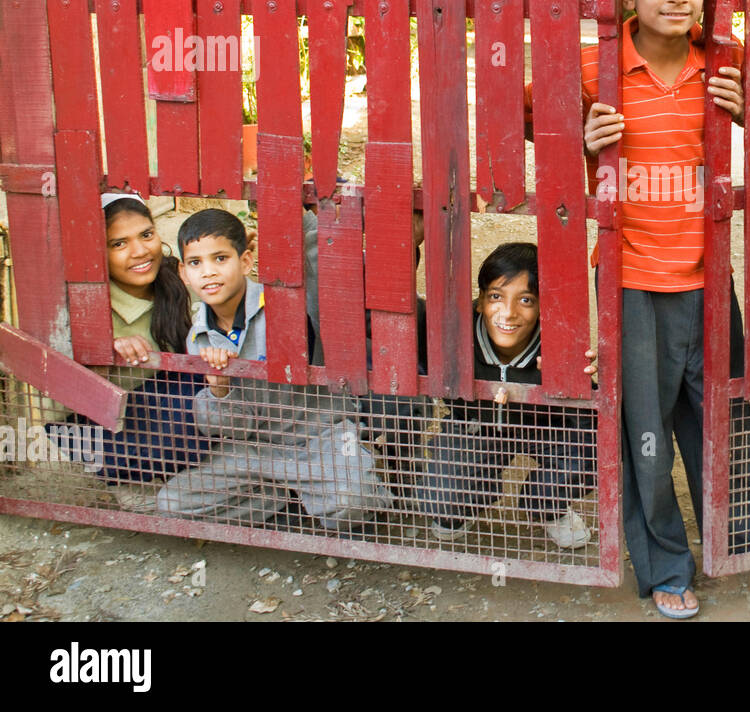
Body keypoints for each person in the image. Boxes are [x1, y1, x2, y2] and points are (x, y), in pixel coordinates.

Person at [540, 0, 750, 619]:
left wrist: (748, 112)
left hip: (708, 279)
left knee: (728, 419)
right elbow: (535, 145)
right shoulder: (591, 66)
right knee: (646, 433)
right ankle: (666, 563)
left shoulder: (724, 61)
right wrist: (579, 135)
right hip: (634, 283)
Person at [155, 208, 393, 531]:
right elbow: (227, 428)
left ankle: (351, 476)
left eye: (221, 259)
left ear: (246, 261)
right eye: (196, 263)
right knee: (173, 504)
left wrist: (299, 214)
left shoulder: (284, 302)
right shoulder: (197, 337)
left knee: (353, 502)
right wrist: (219, 390)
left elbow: (320, 274)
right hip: (257, 452)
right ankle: (288, 494)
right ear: (184, 273)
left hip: (321, 436)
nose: (208, 272)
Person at [411, 242, 598, 549]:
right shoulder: (452, 332)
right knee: (442, 497)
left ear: (543, 307)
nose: (508, 314)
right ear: (480, 302)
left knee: (596, 450)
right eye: (496, 297)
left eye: (526, 300)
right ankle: (460, 506)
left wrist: (569, 385)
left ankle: (546, 505)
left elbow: (591, 421)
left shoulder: (560, 339)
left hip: (543, 428)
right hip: (475, 426)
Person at [50, 193, 209, 483]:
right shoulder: (83, 303)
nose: (140, 252)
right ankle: (131, 483)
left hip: (160, 410)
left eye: (146, 235)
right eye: (119, 244)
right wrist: (102, 347)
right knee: (192, 398)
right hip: (99, 430)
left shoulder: (178, 277)